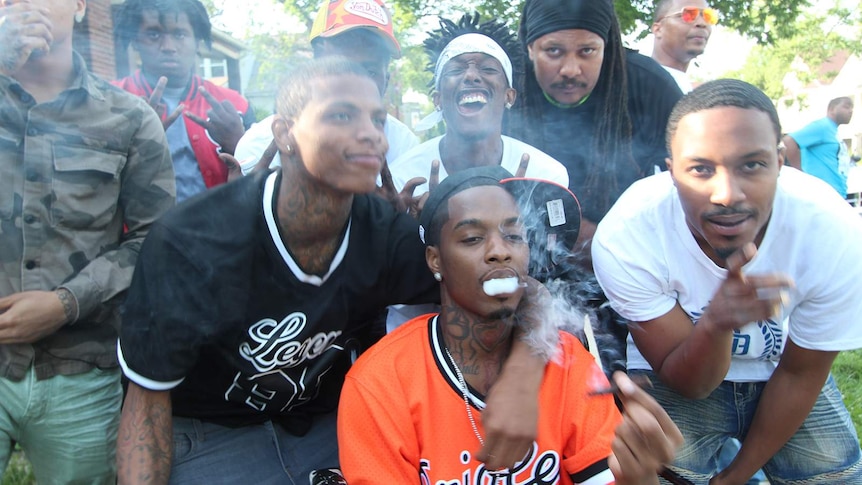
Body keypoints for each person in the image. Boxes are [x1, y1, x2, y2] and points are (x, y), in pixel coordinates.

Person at [117, 58, 551, 484]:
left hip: (326, 426)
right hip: (211, 435)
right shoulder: (191, 241)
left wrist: (521, 379)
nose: (370, 134)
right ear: (286, 133)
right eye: (341, 115)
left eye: (377, 120)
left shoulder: (384, 235)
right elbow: (146, 403)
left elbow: (517, 289)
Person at [338, 165, 683, 484]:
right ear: (435, 259)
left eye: (515, 236)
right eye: (472, 238)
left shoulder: (568, 361)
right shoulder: (380, 383)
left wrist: (639, 479)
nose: (499, 252)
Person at [592, 79, 862, 483]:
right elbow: (690, 383)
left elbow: (800, 374)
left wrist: (735, 476)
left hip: (780, 370)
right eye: (700, 169)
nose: (726, 194)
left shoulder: (832, 232)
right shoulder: (628, 235)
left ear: (780, 163)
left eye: (751, 165)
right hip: (680, 375)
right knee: (654, 473)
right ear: (671, 173)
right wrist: (717, 322)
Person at [0, 0, 176, 482]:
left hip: (79, 369)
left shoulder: (129, 118)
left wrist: (65, 304)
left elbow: (154, 241)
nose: (24, 6)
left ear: (79, 6)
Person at [510, 0, 683, 250]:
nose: (570, 70)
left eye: (587, 51)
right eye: (553, 51)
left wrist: (605, 246)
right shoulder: (507, 88)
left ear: (607, 48)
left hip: (633, 252)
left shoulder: (652, 86)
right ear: (529, 49)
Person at [390, 13, 569, 197]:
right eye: (456, 70)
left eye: (488, 69)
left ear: (509, 96)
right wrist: (416, 225)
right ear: (438, 99)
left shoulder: (545, 178)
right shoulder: (403, 181)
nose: (471, 76)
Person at [233, 0, 418, 177]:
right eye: (342, 66)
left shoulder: (403, 147)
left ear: (386, 80)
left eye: (370, 72)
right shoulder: (261, 145)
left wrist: (395, 211)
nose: (356, 83)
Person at [113, 0, 256, 202]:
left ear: (197, 40)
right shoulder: (108, 102)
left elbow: (267, 180)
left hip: (222, 230)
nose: (168, 47)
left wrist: (238, 142)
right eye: (154, 34)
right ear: (135, 40)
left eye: (179, 34)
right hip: (143, 233)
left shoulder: (235, 105)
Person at [783, 96, 855, 196]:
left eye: (852, 108)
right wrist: (800, 173)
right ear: (832, 109)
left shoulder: (833, 131)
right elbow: (789, 141)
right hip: (822, 194)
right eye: (846, 107)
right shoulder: (822, 126)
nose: (850, 111)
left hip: (837, 194)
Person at [650, 0, 717, 93]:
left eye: (708, 16)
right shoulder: (635, 83)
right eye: (689, 14)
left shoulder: (698, 93)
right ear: (658, 29)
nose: (702, 23)